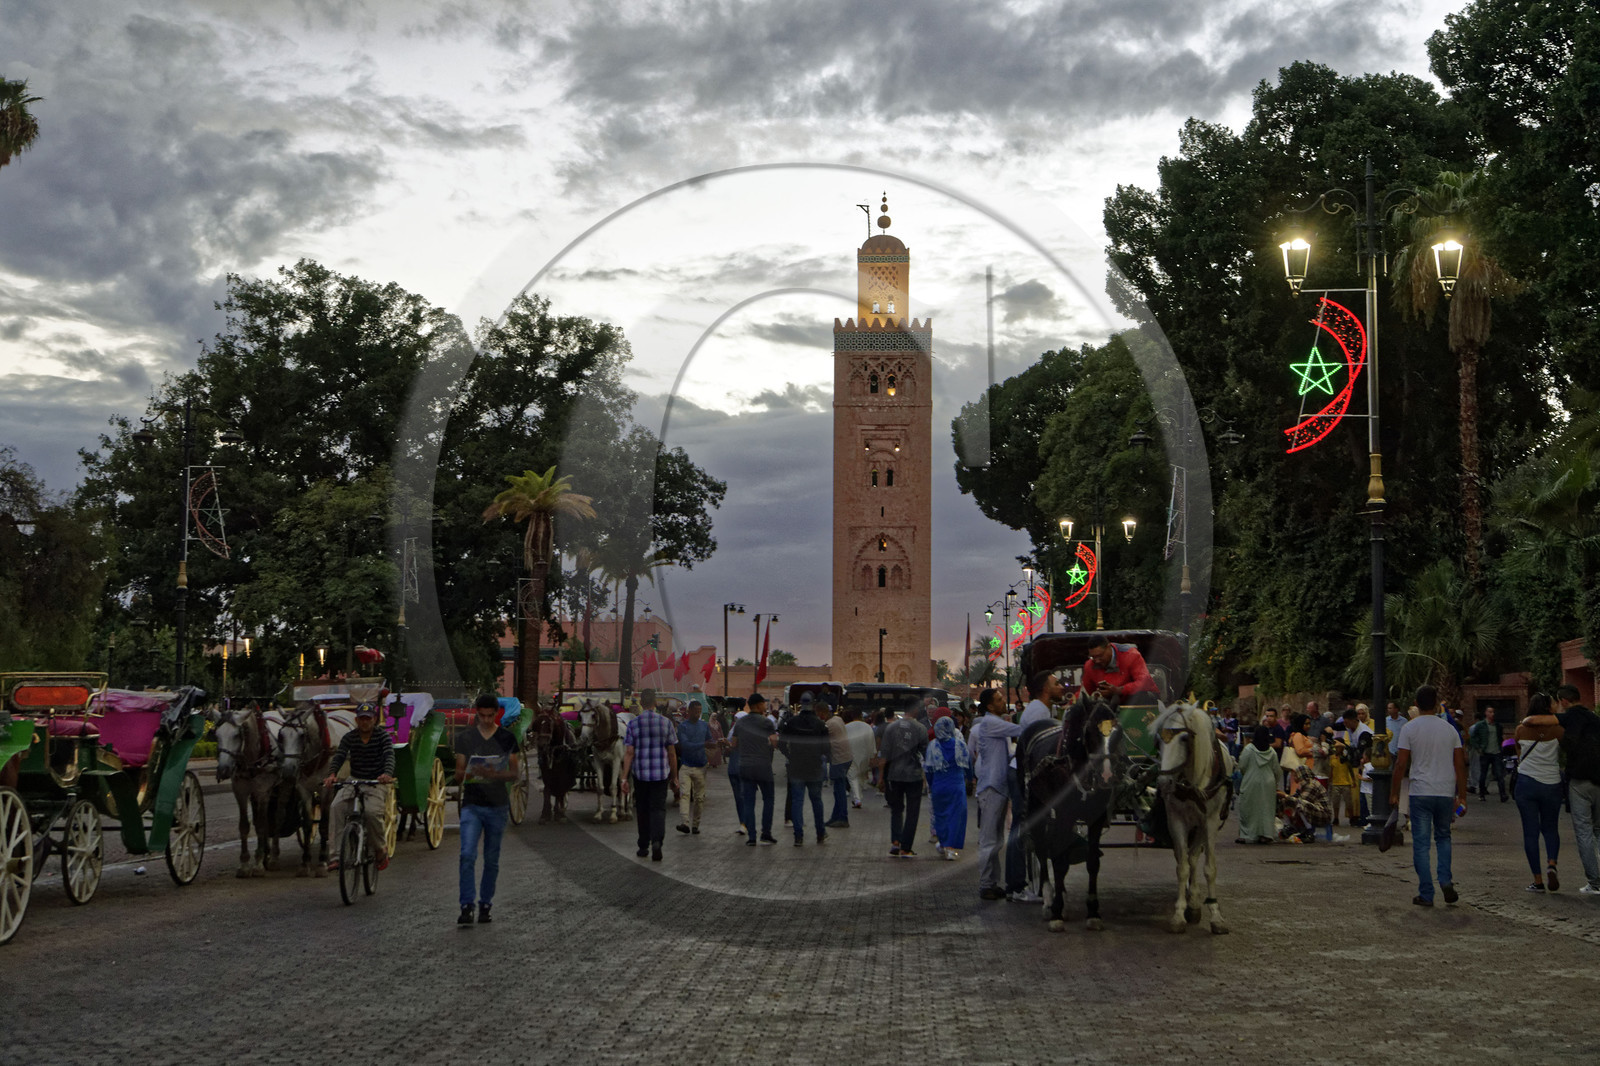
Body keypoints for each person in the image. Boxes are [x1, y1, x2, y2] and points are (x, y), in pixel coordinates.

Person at [1390, 685, 1467, 907]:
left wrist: (1394, 792)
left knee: (1421, 843)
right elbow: (1460, 765)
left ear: (1416, 703)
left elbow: (1401, 763)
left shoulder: (1409, 728)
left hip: (1420, 791)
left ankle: (1426, 892)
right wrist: (1462, 796)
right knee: (1444, 837)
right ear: (1436, 703)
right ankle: (1445, 880)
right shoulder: (1450, 730)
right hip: (1445, 791)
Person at [451, 694, 518, 925]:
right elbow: (458, 774)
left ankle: (485, 903)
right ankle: (466, 904)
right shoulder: (466, 738)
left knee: (491, 858)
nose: (487, 720)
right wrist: (470, 772)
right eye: (482, 716)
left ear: (496, 714)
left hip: (497, 805)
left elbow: (515, 773)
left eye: (491, 716)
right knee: (467, 855)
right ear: (477, 714)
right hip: (472, 804)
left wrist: (494, 774)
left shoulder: (507, 738)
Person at [324, 701, 395, 874]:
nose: (365, 722)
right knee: (336, 807)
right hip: (355, 779)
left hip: (376, 782)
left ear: (374, 719)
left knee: (371, 813)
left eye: (368, 719)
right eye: (362, 719)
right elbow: (340, 756)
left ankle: (380, 848)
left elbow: (389, 755)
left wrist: (386, 774)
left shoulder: (383, 737)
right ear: (356, 720)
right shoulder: (350, 737)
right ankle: (335, 857)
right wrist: (332, 774)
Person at [968, 688, 1023, 899]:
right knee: (989, 840)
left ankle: (992, 883)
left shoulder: (994, 722)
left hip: (997, 787)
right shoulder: (991, 722)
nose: (1003, 702)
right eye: (999, 700)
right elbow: (1021, 729)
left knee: (996, 840)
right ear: (990, 706)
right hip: (991, 787)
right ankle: (985, 885)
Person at [1513, 693, 1565, 892]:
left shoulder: (1520, 729)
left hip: (1526, 783)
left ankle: (1538, 880)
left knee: (1530, 832)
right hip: (1551, 782)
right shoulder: (1559, 730)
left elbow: (1519, 754)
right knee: (1551, 828)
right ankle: (1552, 864)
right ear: (1548, 707)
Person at [620, 689, 679, 862]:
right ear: (655, 703)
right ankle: (657, 841)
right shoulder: (666, 723)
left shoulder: (633, 724)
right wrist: (674, 777)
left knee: (643, 810)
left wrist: (624, 778)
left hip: (641, 775)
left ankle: (643, 845)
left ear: (641, 703)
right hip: (660, 774)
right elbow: (672, 753)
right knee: (658, 809)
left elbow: (629, 752)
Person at [1555, 684, 1600, 895]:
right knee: (1599, 830)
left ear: (1564, 701)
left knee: (1583, 831)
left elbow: (1568, 742)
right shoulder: (1594, 718)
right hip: (1599, 777)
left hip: (1579, 779)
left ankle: (1595, 881)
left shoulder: (1569, 717)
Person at [778, 695, 830, 846]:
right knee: (817, 801)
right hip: (814, 767)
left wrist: (790, 755)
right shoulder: (820, 724)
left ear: (800, 705)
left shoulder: (792, 722)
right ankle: (820, 833)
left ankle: (798, 836)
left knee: (797, 801)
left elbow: (781, 744)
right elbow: (827, 747)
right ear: (813, 705)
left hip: (796, 767)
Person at [878, 703, 929, 857]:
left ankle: (895, 841)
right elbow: (925, 755)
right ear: (915, 710)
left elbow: (884, 754)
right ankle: (906, 848)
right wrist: (926, 777)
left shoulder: (891, 728)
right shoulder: (921, 728)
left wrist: (881, 777)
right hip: (914, 775)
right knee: (912, 812)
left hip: (894, 774)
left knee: (896, 809)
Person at [733, 693, 778, 846]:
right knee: (768, 799)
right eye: (763, 703)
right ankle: (766, 833)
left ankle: (752, 837)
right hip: (763, 766)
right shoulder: (766, 722)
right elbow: (774, 742)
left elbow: (734, 744)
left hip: (745, 766)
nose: (765, 705)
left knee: (748, 802)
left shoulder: (740, 723)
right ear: (758, 705)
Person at [924, 716, 970, 861]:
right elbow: (968, 765)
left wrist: (931, 785)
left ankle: (943, 842)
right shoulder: (960, 745)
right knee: (955, 816)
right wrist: (970, 779)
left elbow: (928, 770)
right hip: (956, 785)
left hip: (939, 785)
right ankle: (950, 847)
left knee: (941, 816)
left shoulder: (932, 746)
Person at [1079, 633, 1159, 702]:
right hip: (1112, 705)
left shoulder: (1131, 655)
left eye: (1100, 656)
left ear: (1108, 647)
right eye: (1093, 657)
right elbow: (1087, 691)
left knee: (1141, 695)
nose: (1097, 661)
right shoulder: (1089, 666)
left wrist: (1119, 690)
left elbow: (1144, 683)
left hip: (1144, 702)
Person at [674, 699, 712, 835]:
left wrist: (717, 743)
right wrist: (704, 745)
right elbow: (685, 745)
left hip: (701, 766)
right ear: (689, 712)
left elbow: (710, 740)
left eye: (699, 711)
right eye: (695, 711)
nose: (698, 714)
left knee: (699, 798)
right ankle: (685, 822)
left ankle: (695, 824)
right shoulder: (683, 727)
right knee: (684, 794)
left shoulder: (704, 726)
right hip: (686, 766)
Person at [1328, 708, 1371, 827]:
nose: (1345, 725)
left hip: (1366, 763)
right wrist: (1329, 727)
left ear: (1353, 720)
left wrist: (1344, 746)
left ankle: (1365, 818)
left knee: (1365, 794)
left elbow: (1359, 753)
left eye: (1347, 722)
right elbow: (1338, 726)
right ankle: (1362, 818)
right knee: (1361, 794)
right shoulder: (1349, 726)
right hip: (1359, 762)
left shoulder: (1364, 733)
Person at [1236, 725, 1279, 844]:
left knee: (1248, 808)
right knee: (1266, 809)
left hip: (1251, 781)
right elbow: (1276, 770)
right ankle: (1266, 834)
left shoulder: (1249, 749)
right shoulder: (1272, 752)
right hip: (1268, 783)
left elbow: (1242, 766)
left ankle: (1247, 834)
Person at [822, 702, 852, 828]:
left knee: (839, 791)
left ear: (822, 713)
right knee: (838, 789)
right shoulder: (838, 719)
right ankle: (835, 817)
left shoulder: (828, 724)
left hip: (838, 759)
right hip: (847, 757)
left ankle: (843, 818)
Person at [1468, 707, 1508, 802]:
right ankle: (1482, 793)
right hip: (1485, 752)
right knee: (1483, 773)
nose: (1492, 714)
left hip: (1496, 752)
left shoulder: (1497, 726)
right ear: (1486, 713)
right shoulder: (1481, 725)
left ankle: (1503, 794)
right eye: (1490, 712)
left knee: (1499, 774)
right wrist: (1479, 748)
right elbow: (1473, 737)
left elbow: (1500, 737)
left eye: (1493, 712)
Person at [844, 707, 876, 810]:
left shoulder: (846, 727)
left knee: (852, 776)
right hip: (865, 755)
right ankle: (858, 797)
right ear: (861, 716)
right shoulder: (867, 727)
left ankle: (857, 798)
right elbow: (871, 743)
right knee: (861, 776)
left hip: (851, 754)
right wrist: (872, 756)